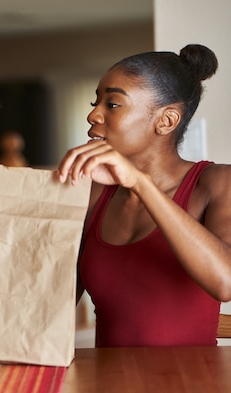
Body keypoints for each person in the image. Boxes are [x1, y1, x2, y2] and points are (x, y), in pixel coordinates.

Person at [56, 44, 231, 347]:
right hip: (107, 382)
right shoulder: (94, 193)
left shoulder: (216, 182)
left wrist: (140, 183)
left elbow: (225, 283)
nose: (92, 115)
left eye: (112, 105)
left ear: (166, 121)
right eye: (94, 101)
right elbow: (53, 303)